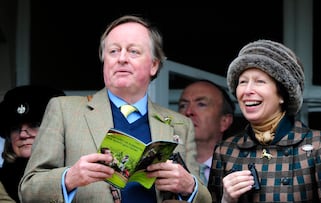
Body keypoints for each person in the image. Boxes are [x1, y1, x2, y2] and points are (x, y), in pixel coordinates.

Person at [19, 15, 211, 203]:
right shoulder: (64, 110)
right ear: (104, 62)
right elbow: (28, 190)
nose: (121, 59)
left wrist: (189, 187)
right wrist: (69, 178)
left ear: (153, 65)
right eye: (113, 51)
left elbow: (205, 197)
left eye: (133, 51)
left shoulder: (180, 124)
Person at [207, 39, 321, 202]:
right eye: (242, 82)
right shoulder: (225, 150)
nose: (247, 90)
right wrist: (226, 200)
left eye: (259, 82)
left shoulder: (319, 146)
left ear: (282, 94)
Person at [0, 85, 65, 203]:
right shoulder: (1, 185)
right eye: (15, 128)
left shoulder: (77, 173)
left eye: (34, 125)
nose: (23, 135)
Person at [178, 79, 235, 186]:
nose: (188, 112)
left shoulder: (239, 168)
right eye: (183, 105)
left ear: (224, 121)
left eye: (201, 104)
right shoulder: (166, 166)